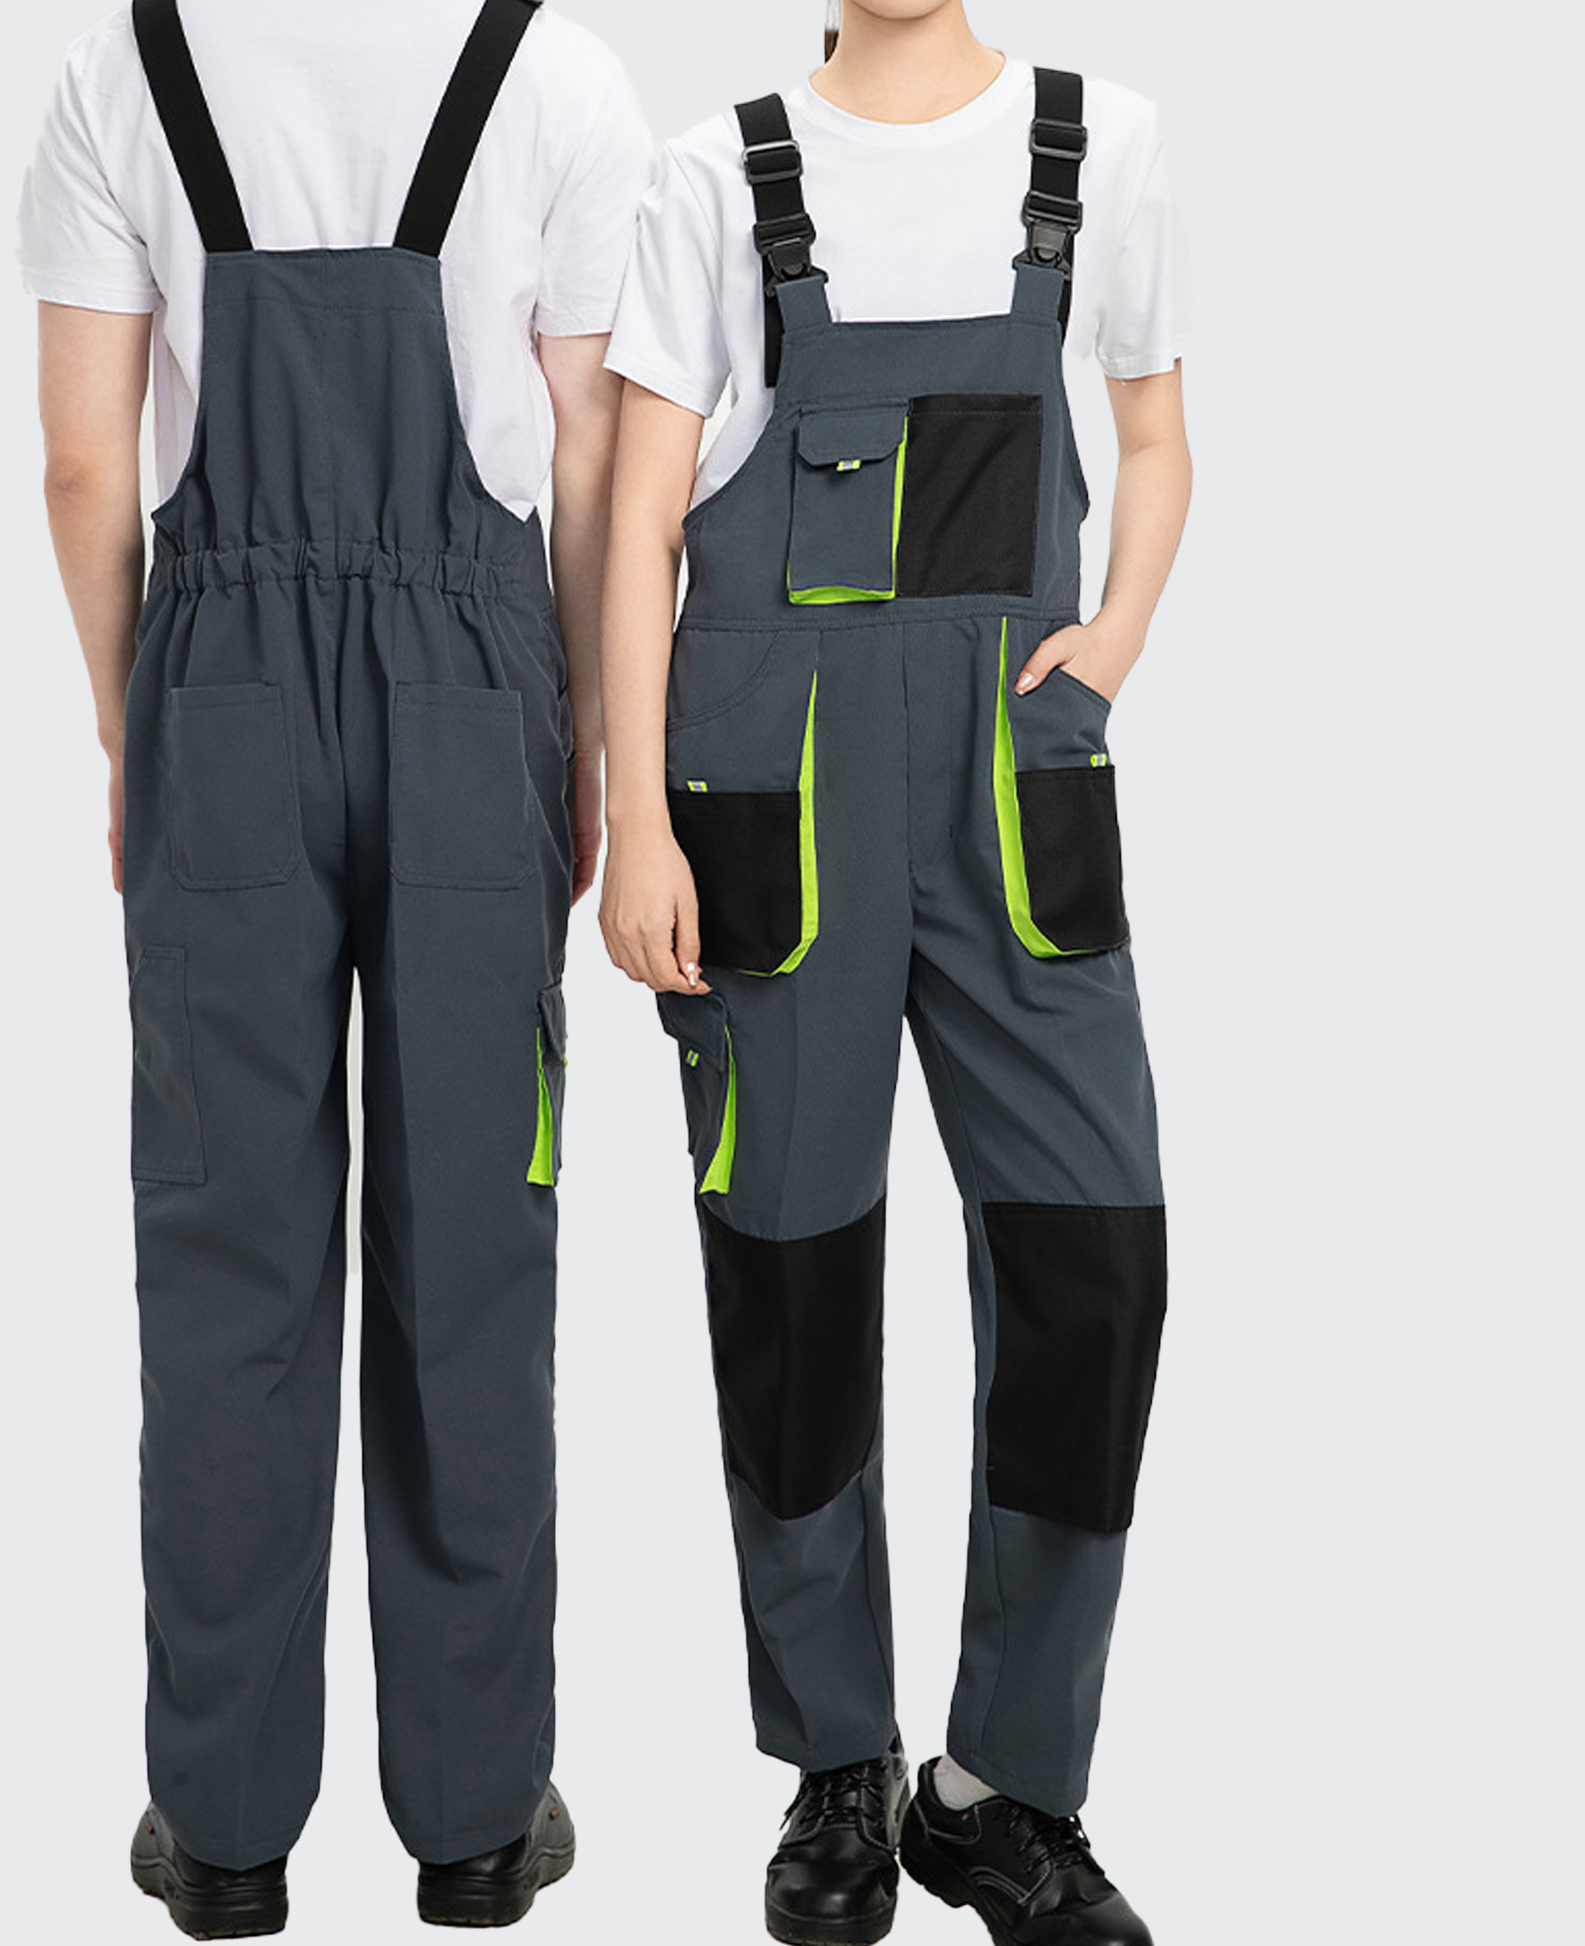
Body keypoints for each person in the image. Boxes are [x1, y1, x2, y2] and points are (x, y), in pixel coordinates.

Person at [18, 1, 649, 1933]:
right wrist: (583, 752)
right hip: (472, 694)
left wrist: (135, 732)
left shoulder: (123, 67)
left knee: (228, 1261)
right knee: (474, 1248)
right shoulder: (555, 72)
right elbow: (592, 454)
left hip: (216, 684)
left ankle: (223, 1829)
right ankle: (473, 1820)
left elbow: (83, 467)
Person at [598, 2, 1190, 1942]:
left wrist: (1113, 637)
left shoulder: (1098, 145)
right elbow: (636, 522)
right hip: (772, 786)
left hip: (1014, 781)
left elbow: (1155, 433)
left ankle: (1001, 1788)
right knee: (791, 1275)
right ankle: (835, 1762)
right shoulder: (715, 171)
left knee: (1093, 1268)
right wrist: (635, 817)